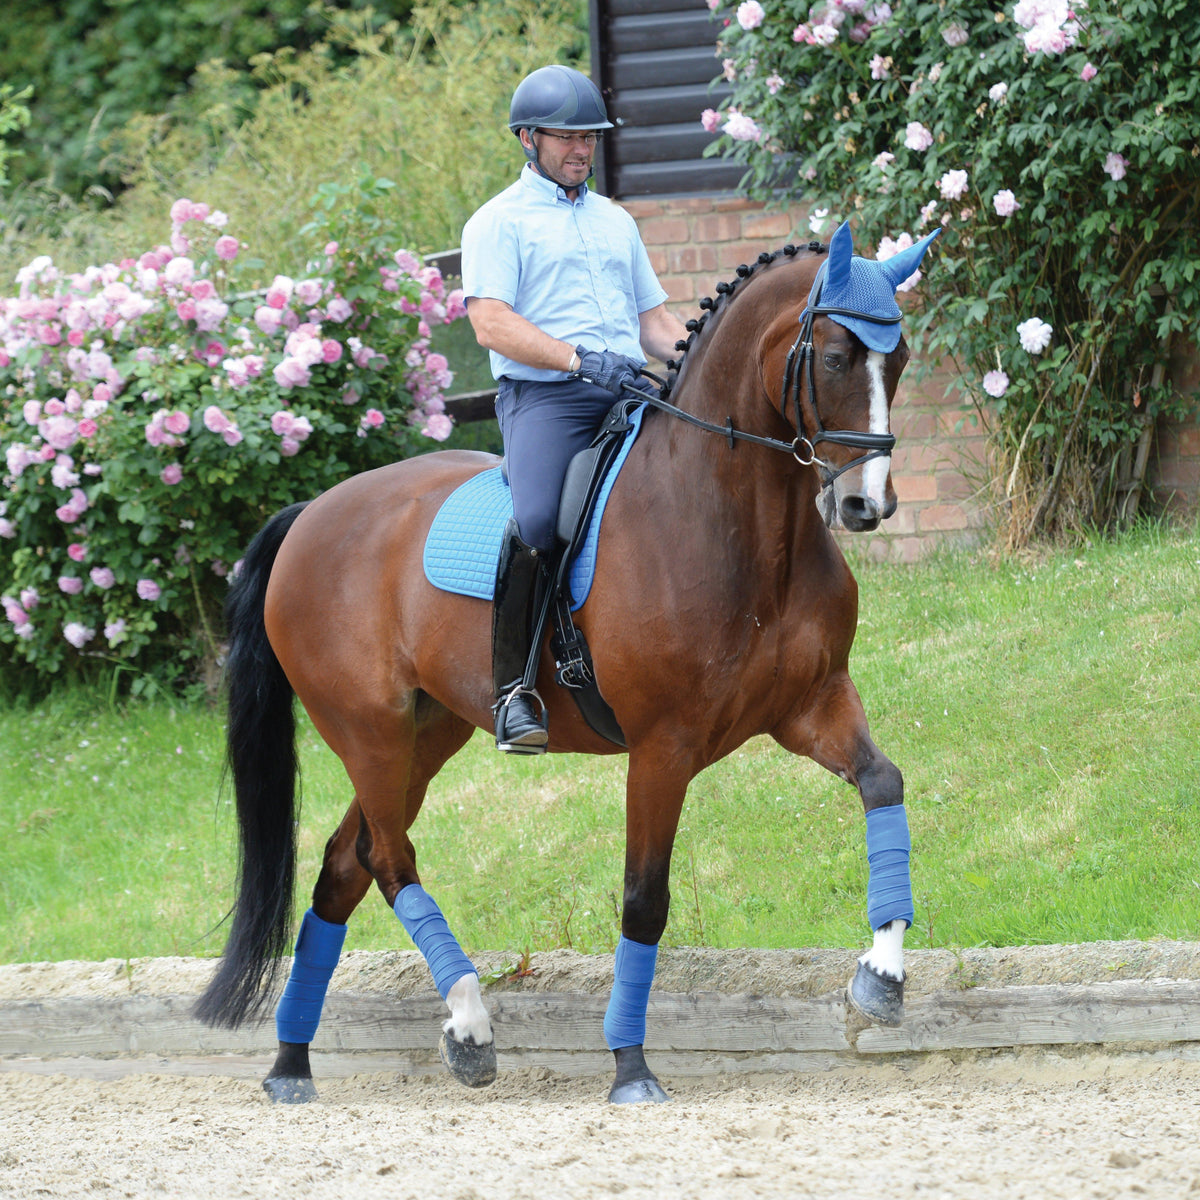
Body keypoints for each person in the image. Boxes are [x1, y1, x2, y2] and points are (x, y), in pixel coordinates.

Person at [461, 64, 688, 755]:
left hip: (626, 386)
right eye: (565, 136)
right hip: (547, 400)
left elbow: (654, 324)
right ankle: (515, 691)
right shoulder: (497, 223)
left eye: (588, 136)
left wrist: (701, 363)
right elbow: (491, 323)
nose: (580, 148)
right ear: (528, 139)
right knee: (536, 519)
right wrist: (576, 358)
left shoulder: (615, 220)